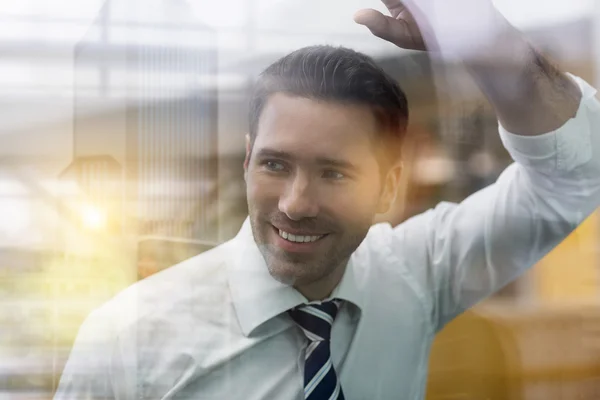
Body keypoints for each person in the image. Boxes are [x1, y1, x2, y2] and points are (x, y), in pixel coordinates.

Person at [55, 0, 600, 399]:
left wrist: (485, 41)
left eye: (333, 173)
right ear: (247, 160)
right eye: (275, 164)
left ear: (388, 185)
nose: (295, 203)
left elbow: (576, 173)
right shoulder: (125, 341)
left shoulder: (416, 274)